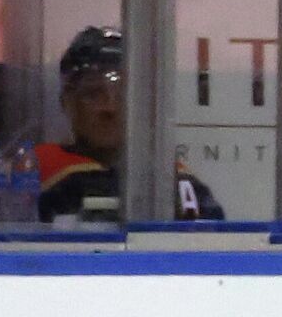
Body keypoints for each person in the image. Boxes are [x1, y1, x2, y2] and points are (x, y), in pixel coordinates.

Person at [35, 26, 225, 223]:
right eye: (93, 94)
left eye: (123, 95)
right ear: (66, 102)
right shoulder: (32, 176)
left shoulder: (173, 181)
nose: (109, 108)